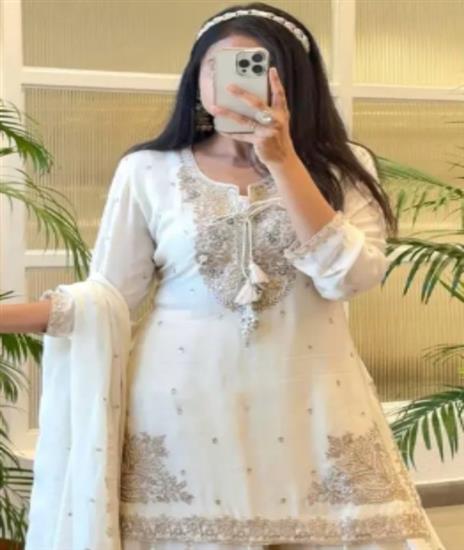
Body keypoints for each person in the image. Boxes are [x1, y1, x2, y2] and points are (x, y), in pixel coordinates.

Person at [2, 2, 446, 550]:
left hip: (314, 409)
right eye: (215, 66)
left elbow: (350, 278)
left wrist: (283, 162)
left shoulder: (342, 169)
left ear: (291, 81)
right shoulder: (149, 171)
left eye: (253, 66)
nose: (230, 82)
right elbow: (108, 299)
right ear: (196, 79)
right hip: (179, 412)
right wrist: (11, 316)